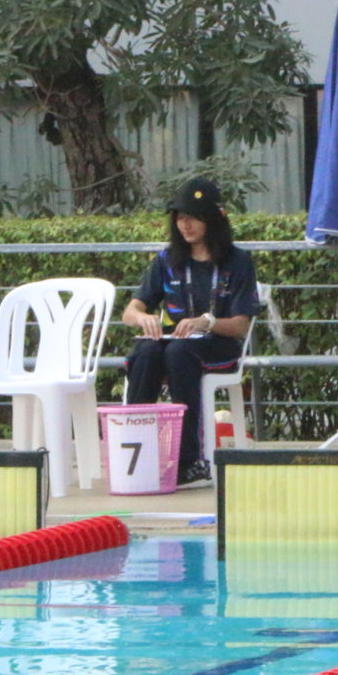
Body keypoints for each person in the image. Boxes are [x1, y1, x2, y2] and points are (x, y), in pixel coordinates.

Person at [121, 177, 261, 488]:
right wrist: (143, 318)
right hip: (177, 342)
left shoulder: (237, 261)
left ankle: (190, 461)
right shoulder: (166, 260)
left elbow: (240, 325)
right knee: (145, 352)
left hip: (218, 345)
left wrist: (206, 322)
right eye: (180, 217)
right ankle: (135, 454)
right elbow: (129, 312)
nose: (186, 225)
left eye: (194, 217)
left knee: (178, 353)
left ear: (213, 219)